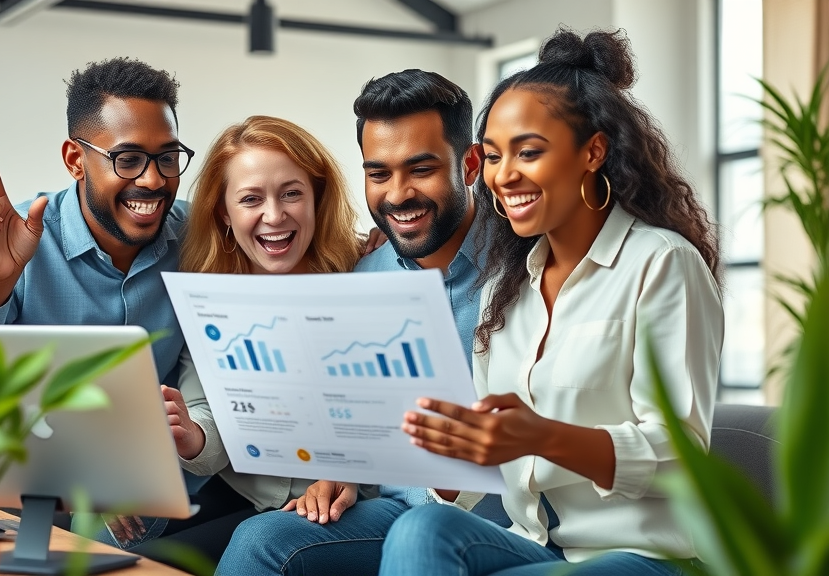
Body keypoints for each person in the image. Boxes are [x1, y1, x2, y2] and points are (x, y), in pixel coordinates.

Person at [379, 28, 723, 576]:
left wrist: (542, 435)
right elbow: (489, 460)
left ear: (593, 152)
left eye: (528, 152)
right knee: (421, 527)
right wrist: (453, 462)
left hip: (641, 557)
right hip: (535, 543)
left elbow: (681, 458)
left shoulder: (661, 264)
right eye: (492, 156)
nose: (504, 175)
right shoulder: (505, 286)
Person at [216, 69, 494, 576]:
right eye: (379, 173)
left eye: (421, 168)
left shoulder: (525, 262)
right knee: (263, 539)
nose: (398, 193)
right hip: (394, 505)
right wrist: (339, 465)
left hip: (495, 513)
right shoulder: (367, 271)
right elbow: (359, 406)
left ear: (470, 164)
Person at [0, 57, 215, 543]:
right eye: (127, 159)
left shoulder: (198, 237)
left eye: (167, 158)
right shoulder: (12, 237)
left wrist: (357, 245)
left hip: (137, 474)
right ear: (75, 159)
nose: (152, 180)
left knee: (103, 527)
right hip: (24, 470)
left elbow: (279, 251)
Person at [140, 115, 366, 565]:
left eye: (292, 193)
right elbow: (211, 419)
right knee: (126, 557)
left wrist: (346, 470)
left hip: (343, 507)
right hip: (254, 500)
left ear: (317, 197)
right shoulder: (211, 301)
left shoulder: (364, 280)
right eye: (250, 199)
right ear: (224, 213)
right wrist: (192, 435)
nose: (274, 216)